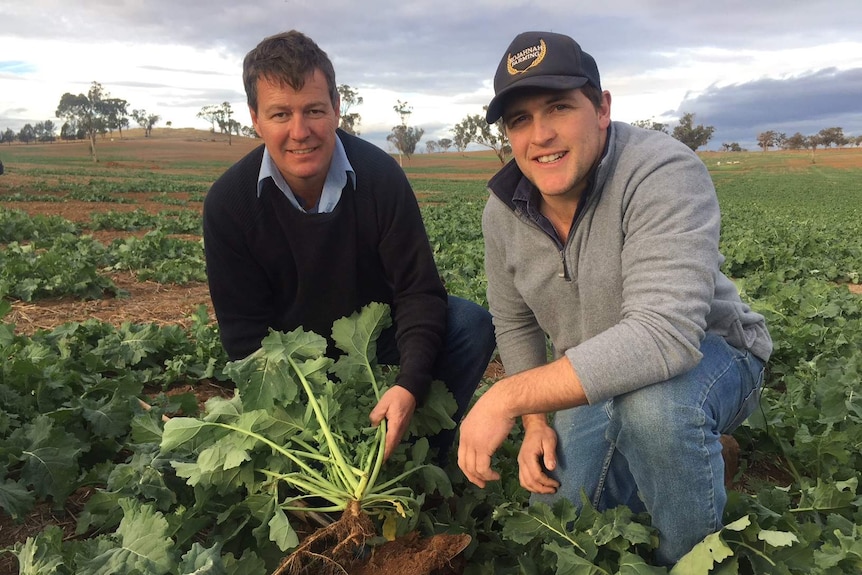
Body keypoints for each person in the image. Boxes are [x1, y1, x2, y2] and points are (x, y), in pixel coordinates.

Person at [457, 31, 772, 565]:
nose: (541, 135)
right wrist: (536, 422)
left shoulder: (660, 172)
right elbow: (513, 323)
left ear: (601, 108)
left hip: (713, 355)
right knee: (558, 521)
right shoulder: (502, 212)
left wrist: (509, 398)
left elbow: (664, 338)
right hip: (596, 375)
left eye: (559, 107)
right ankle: (702, 457)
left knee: (655, 412)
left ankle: (692, 560)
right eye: (520, 119)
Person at [203, 30, 495, 461]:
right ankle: (328, 457)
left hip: (378, 352)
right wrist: (309, 420)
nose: (300, 131)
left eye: (314, 110)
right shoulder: (230, 203)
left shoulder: (379, 178)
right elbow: (245, 338)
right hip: (301, 373)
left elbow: (417, 291)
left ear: (337, 110)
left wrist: (409, 383)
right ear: (255, 118)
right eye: (281, 114)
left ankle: (421, 456)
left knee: (468, 324)